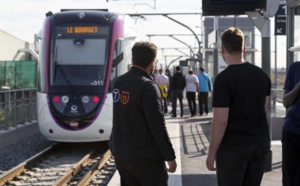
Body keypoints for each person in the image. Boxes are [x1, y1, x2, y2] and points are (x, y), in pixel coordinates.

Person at [206, 27, 271, 186]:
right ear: (243, 47)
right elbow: (264, 109)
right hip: (259, 145)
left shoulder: (223, 79)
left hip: (233, 149)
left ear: (222, 49)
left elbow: (221, 120)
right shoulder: (262, 75)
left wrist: (211, 153)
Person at [109, 41, 177, 186]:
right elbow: (157, 124)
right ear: (152, 62)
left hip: (122, 155)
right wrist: (169, 156)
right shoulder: (148, 86)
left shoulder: (119, 82)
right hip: (145, 158)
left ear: (132, 59)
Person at [281, 61, 300, 185]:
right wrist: (298, 86)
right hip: (292, 130)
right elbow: (285, 102)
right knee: (289, 178)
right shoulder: (295, 67)